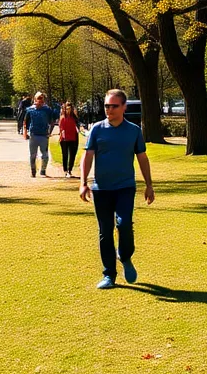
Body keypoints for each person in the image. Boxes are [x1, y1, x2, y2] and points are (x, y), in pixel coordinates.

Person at [79, 89, 155, 289]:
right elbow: (87, 157)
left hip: (125, 187)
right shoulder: (97, 129)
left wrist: (149, 185)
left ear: (123, 107)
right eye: (106, 106)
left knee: (123, 225)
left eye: (114, 106)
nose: (109, 110)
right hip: (101, 189)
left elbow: (142, 158)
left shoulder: (133, 131)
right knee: (105, 232)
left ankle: (125, 255)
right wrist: (83, 182)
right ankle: (109, 275)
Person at [23, 92, 57, 177]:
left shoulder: (47, 110)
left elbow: (52, 121)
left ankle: (43, 170)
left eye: (42, 98)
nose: (40, 100)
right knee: (33, 155)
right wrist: (25, 132)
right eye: (39, 98)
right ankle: (33, 170)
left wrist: (49, 132)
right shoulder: (30, 110)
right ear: (35, 99)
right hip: (33, 134)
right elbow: (25, 122)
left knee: (45, 155)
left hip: (43, 135)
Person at [57, 101, 85, 178]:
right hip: (64, 139)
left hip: (74, 139)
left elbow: (78, 127)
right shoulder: (62, 118)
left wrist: (81, 129)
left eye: (70, 109)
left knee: (73, 155)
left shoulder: (75, 118)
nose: (68, 110)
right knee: (65, 155)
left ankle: (70, 170)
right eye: (67, 109)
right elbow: (61, 128)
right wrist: (62, 136)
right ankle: (65, 171)